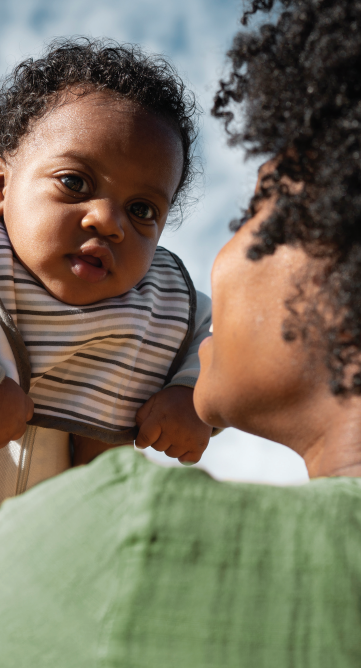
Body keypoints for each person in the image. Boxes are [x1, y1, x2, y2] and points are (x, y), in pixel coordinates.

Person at [1, 0, 361, 666]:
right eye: (74, 182)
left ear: (337, 251)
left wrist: (181, 392)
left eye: (258, 209)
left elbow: (192, 339)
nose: (108, 220)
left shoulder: (128, 536)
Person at [0, 38, 213, 500]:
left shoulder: (161, 302)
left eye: (141, 209)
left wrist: (192, 395)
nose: (109, 221)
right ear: (2, 186)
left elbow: (230, 342)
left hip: (60, 547)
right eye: (74, 182)